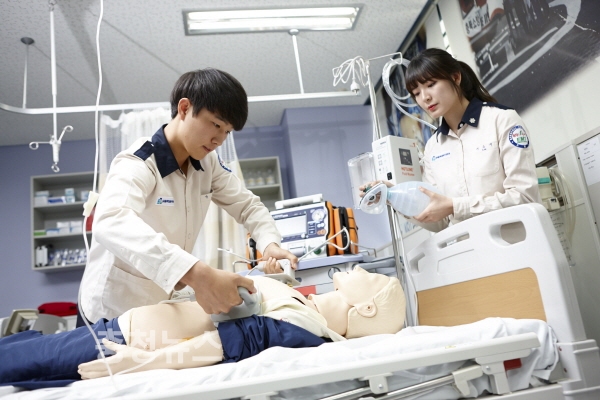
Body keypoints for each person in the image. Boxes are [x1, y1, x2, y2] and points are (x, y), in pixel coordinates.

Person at [79, 68, 298, 324]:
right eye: (216, 124)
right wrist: (196, 273)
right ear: (184, 108)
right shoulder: (139, 161)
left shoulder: (208, 163)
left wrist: (270, 244)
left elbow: (248, 206)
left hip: (156, 306)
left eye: (227, 131)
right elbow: (111, 221)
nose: (219, 139)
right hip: (108, 310)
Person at [0, 266, 405, 384]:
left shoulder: (305, 328)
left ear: (368, 308)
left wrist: (141, 362)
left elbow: (224, 344)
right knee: (14, 351)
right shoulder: (302, 304)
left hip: (120, 345)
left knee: (13, 363)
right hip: (120, 327)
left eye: (372, 278)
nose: (361, 269)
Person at [361, 48, 541, 232]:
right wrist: (392, 196)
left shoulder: (501, 120)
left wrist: (455, 206)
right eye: (416, 93)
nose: (425, 98)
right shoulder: (433, 147)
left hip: (515, 245)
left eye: (431, 84)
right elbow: (440, 222)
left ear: (455, 77)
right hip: (467, 248)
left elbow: (524, 196)